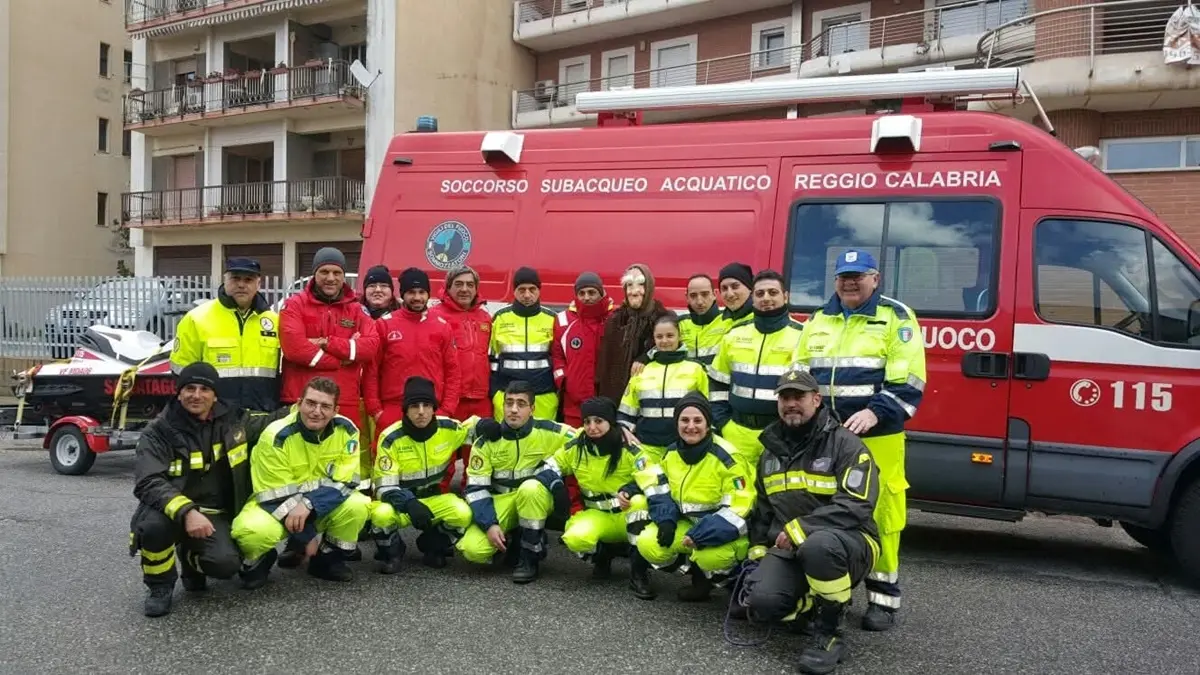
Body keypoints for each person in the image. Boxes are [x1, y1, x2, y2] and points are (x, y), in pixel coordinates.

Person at [790, 248, 926, 632]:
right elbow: (800, 373)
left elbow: (909, 379)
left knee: (880, 512)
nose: (850, 282)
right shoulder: (819, 319)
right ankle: (827, 590)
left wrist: (875, 412)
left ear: (875, 279)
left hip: (877, 434)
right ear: (835, 281)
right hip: (826, 436)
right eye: (844, 276)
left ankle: (882, 598)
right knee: (824, 506)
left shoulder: (896, 318)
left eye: (858, 275)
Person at [738, 368, 881, 675]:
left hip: (850, 543)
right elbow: (764, 512)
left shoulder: (845, 444)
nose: (791, 403)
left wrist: (802, 527)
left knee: (818, 545)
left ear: (816, 399)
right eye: (785, 397)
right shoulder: (770, 452)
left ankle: (829, 633)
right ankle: (809, 607)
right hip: (792, 547)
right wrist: (758, 555)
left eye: (798, 397)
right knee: (762, 603)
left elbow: (858, 503)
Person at [130, 362, 289, 617]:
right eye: (189, 388)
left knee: (226, 565)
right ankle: (159, 587)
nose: (196, 395)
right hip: (170, 511)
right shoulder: (158, 431)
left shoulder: (234, 421)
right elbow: (148, 481)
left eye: (204, 389)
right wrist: (187, 511)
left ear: (215, 395)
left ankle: (191, 559)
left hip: (215, 513)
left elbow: (272, 421)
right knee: (152, 527)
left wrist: (306, 407)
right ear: (178, 392)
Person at [230, 376, 372, 585]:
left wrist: (309, 504)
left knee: (358, 505)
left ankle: (326, 560)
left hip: (317, 506)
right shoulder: (275, 436)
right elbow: (272, 494)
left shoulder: (347, 431)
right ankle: (260, 561)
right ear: (298, 404)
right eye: (311, 403)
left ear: (336, 411)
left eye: (325, 406)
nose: (316, 411)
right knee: (251, 531)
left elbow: (346, 481)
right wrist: (307, 536)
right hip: (278, 506)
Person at [625, 392, 755, 602]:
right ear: (676, 423)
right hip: (690, 526)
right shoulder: (672, 453)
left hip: (724, 531)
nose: (690, 426)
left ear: (708, 423)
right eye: (684, 420)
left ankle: (738, 590)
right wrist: (666, 520)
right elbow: (660, 489)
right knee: (650, 544)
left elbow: (742, 506)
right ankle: (699, 579)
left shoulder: (728, 458)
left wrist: (702, 535)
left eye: (698, 420)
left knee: (711, 557)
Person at [529, 397, 655, 596]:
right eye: (587, 421)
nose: (592, 427)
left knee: (640, 503)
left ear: (611, 422)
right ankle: (603, 556)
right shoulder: (576, 447)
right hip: (597, 515)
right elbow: (547, 466)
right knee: (574, 538)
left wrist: (631, 489)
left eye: (598, 421)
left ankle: (639, 574)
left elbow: (652, 477)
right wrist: (556, 486)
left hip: (626, 514)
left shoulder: (629, 448)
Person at [457, 381, 577, 583]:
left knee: (530, 489)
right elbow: (477, 489)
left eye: (521, 404)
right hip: (500, 500)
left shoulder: (548, 431)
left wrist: (622, 434)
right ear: (502, 406)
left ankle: (530, 556)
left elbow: (586, 436)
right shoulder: (487, 439)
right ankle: (511, 538)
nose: (513, 409)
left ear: (532, 409)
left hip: (533, 498)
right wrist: (490, 524)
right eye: (509, 403)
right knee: (473, 549)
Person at [369, 376, 479, 573]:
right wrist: (409, 503)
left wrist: (489, 426)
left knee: (463, 514)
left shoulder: (448, 428)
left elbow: (474, 428)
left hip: (433, 500)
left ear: (434, 408)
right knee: (380, 515)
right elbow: (383, 487)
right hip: (402, 504)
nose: (421, 412)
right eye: (414, 406)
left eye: (426, 405)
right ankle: (393, 552)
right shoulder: (390, 438)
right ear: (405, 409)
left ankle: (432, 546)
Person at [708, 269, 804, 466]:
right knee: (739, 492)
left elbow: (808, 392)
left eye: (773, 292)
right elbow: (718, 383)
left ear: (785, 297)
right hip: (736, 433)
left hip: (780, 434)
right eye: (760, 294)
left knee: (777, 494)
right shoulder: (734, 334)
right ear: (753, 297)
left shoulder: (802, 336)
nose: (766, 298)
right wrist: (723, 424)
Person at [278, 247, 378, 420]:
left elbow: (370, 347)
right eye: (324, 271)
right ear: (314, 274)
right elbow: (294, 349)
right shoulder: (294, 305)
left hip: (344, 401)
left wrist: (326, 342)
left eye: (337, 272)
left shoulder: (356, 309)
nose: (331, 278)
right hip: (301, 400)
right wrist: (341, 360)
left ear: (343, 276)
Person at [170, 257, 280, 411]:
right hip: (214, 418)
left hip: (262, 416)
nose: (241, 284)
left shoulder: (275, 321)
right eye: (235, 278)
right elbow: (181, 373)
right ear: (225, 280)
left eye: (248, 279)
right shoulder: (196, 319)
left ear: (258, 284)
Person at [363, 267, 462, 434]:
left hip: (431, 410)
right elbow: (371, 370)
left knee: (435, 460)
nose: (417, 297)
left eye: (422, 292)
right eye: (411, 292)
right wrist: (376, 411)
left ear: (428, 294)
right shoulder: (384, 325)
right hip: (393, 409)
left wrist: (447, 410)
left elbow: (453, 372)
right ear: (402, 294)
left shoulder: (442, 326)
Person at [429, 265, 492, 493]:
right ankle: (439, 499)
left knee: (477, 455)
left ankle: (473, 498)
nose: (465, 289)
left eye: (470, 285)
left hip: (480, 399)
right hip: (450, 399)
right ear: (448, 287)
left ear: (476, 289)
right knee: (443, 454)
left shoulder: (485, 318)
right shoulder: (435, 316)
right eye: (459, 284)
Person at [617, 314, 709, 462]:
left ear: (679, 337)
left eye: (670, 335)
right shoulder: (642, 370)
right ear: (654, 339)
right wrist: (624, 430)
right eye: (659, 337)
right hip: (646, 446)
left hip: (683, 447)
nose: (664, 341)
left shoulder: (696, 369)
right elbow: (627, 411)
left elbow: (709, 409)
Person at [489, 266, 559, 422]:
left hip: (544, 397)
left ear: (539, 290)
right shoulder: (500, 318)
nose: (527, 295)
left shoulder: (552, 318)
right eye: (522, 289)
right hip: (507, 397)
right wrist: (494, 393)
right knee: (508, 443)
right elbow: (491, 359)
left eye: (532, 289)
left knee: (542, 443)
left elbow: (559, 358)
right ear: (514, 291)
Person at [595, 263, 672, 403]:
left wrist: (645, 357)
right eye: (629, 285)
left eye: (641, 285)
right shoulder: (615, 320)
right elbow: (605, 365)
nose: (634, 291)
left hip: (651, 398)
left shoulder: (664, 318)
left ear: (649, 287)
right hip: (616, 400)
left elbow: (670, 350)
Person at [551, 271, 615, 427]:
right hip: (574, 405)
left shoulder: (615, 318)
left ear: (601, 293)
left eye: (592, 292)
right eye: (582, 293)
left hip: (606, 402)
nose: (586, 297)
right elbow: (557, 356)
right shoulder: (563, 320)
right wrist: (564, 380)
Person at [677, 273, 725, 367]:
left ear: (714, 294)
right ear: (687, 297)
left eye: (705, 294)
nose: (699, 301)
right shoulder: (679, 324)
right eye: (693, 295)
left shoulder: (728, 320)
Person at [717, 262, 755, 330]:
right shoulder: (716, 322)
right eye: (724, 288)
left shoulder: (762, 321)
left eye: (735, 286)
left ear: (749, 288)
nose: (730, 294)